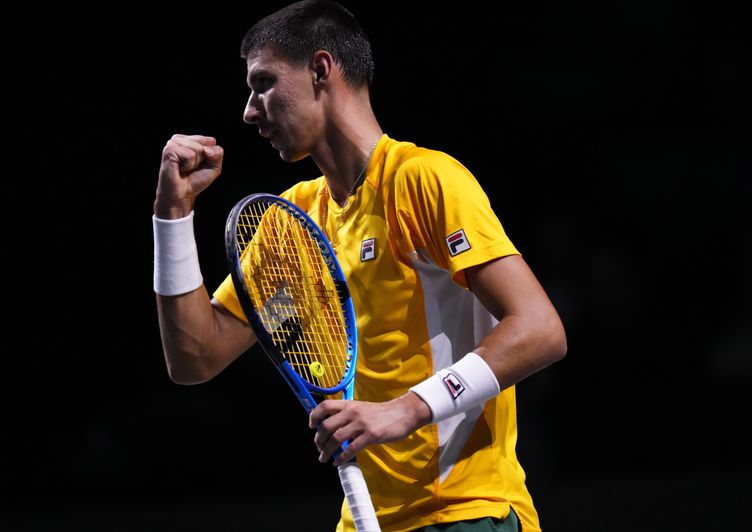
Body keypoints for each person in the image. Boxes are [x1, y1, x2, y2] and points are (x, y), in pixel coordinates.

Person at [152, 1, 567, 530]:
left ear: (321, 70)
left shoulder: (423, 180)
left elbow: (540, 329)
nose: (249, 112)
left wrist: (407, 408)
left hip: (464, 512)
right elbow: (195, 357)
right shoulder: (292, 225)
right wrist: (172, 217)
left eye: (263, 84)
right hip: (364, 519)